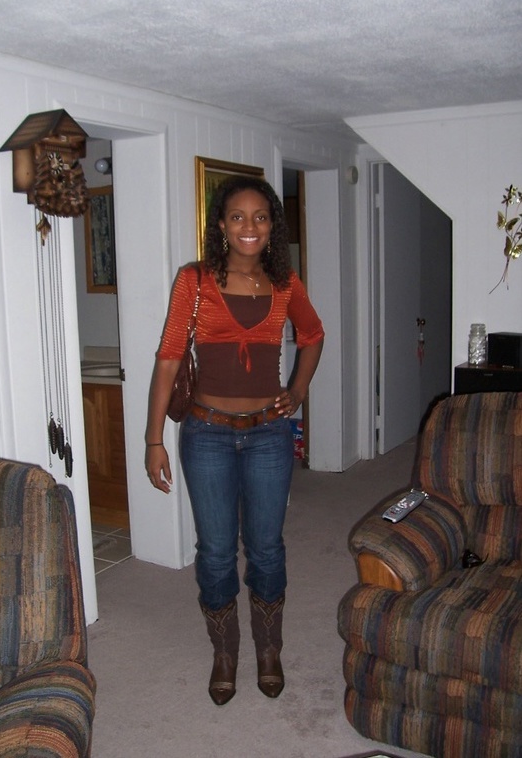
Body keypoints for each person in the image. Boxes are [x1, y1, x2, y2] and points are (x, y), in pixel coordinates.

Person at [145, 175, 324, 705]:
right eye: (238, 216)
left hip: (269, 434)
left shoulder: (285, 284)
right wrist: (154, 439)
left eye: (261, 217)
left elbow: (313, 336)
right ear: (221, 224)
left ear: (272, 226)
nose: (250, 226)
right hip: (207, 434)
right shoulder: (195, 281)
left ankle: (269, 649)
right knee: (217, 550)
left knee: (266, 548)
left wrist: (297, 390)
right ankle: (225, 653)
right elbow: (169, 358)